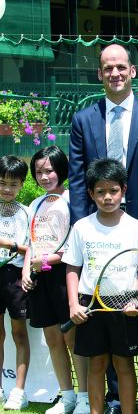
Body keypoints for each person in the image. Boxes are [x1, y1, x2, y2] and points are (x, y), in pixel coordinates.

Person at [69, 43, 138, 414]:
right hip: (97, 229)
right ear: (100, 74)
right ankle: (112, 400)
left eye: (121, 67)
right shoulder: (84, 119)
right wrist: (81, 227)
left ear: (132, 71)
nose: (114, 73)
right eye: (107, 68)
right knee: (105, 324)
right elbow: (80, 182)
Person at [62, 159, 138, 414]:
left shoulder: (136, 228)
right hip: (90, 304)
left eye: (113, 190)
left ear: (123, 190)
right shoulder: (82, 227)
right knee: (96, 364)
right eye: (100, 192)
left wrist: (137, 299)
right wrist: (73, 304)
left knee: (124, 365)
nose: (107, 197)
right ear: (91, 194)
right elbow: (72, 268)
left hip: (125, 305)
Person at [21, 146, 89, 414]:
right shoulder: (35, 205)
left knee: (73, 340)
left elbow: (75, 245)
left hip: (64, 277)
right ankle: (68, 396)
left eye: (49, 170)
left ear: (61, 170)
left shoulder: (74, 200)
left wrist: (48, 261)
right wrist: (27, 271)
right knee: (52, 339)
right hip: (40, 279)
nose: (44, 176)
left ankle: (84, 397)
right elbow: (30, 243)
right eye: (38, 171)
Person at [0, 155, 30, 410]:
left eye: (13, 184)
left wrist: (9, 245)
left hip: (15, 278)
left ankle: (19, 391)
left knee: (19, 334)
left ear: (21, 185)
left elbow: (29, 250)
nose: (7, 189)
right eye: (2, 183)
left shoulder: (26, 213)